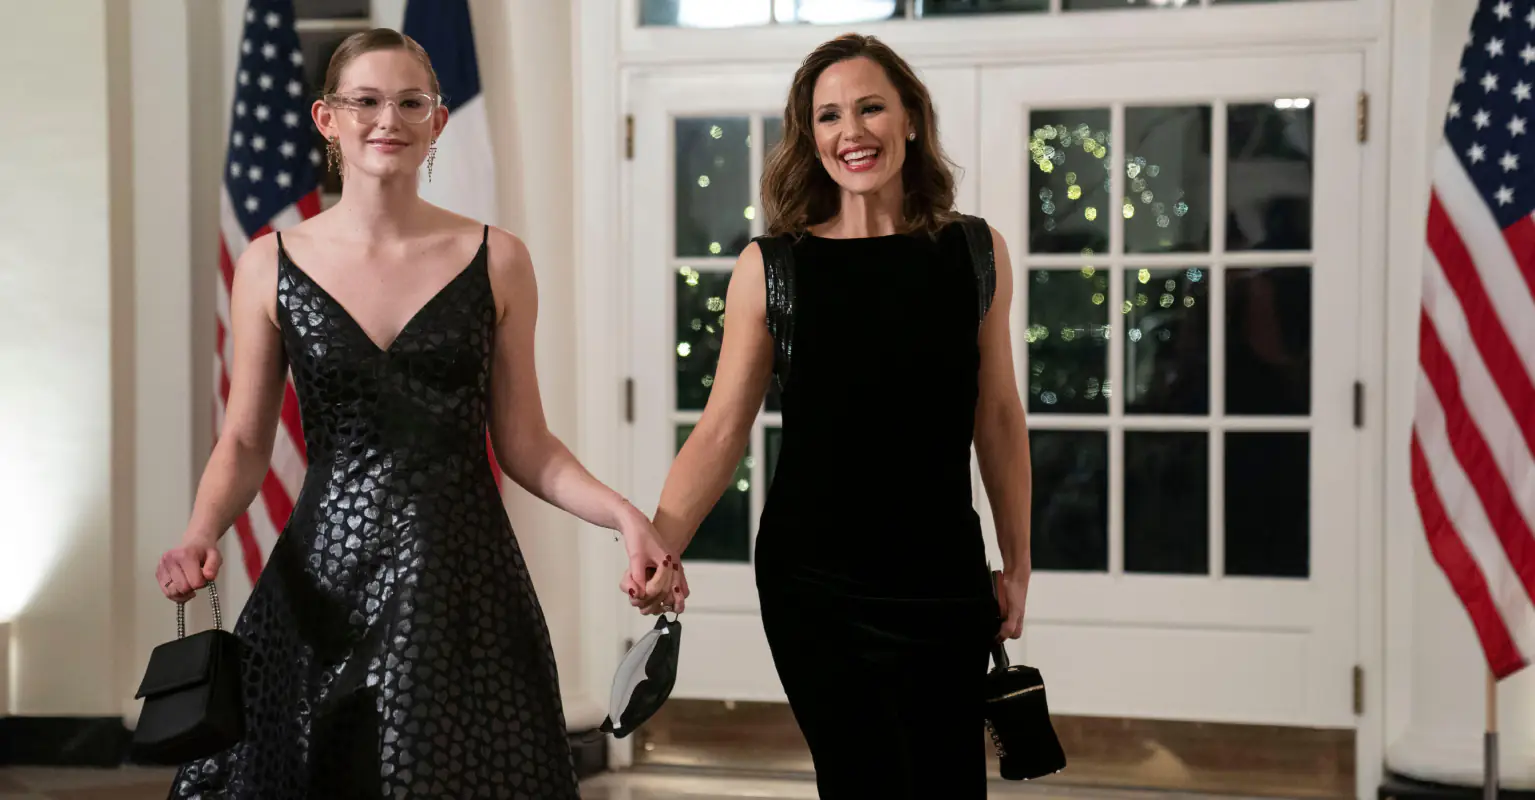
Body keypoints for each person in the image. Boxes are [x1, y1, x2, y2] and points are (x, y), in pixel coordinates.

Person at [154, 28, 677, 798]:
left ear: (437, 120)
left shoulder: (498, 258)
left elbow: (526, 443)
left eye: (409, 103)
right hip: (320, 583)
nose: (387, 120)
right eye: (365, 101)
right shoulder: (270, 262)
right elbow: (243, 440)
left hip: (459, 581)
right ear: (327, 118)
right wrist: (200, 535)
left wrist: (625, 516)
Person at [639, 33, 1034, 798]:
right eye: (828, 116)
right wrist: (662, 546)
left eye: (869, 108)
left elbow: (997, 417)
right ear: (809, 135)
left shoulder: (974, 252)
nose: (850, 132)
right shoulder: (772, 268)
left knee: (949, 782)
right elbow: (720, 430)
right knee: (860, 782)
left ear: (910, 118)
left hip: (943, 576)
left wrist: (1015, 564)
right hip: (815, 584)